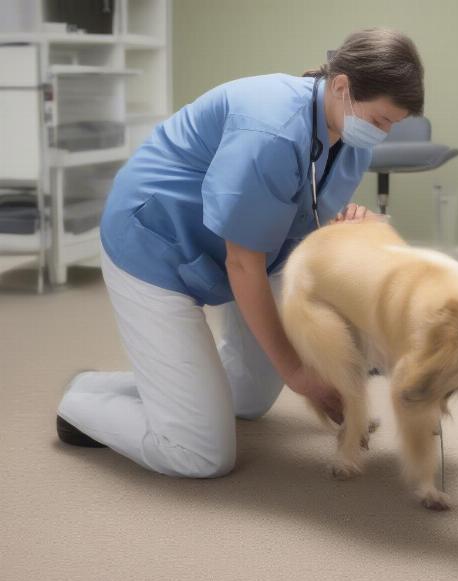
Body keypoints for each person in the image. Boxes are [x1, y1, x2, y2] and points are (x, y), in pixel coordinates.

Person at [56, 27, 424, 478]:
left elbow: (301, 210)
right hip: (154, 245)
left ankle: (149, 387)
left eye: (392, 124)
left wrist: (348, 225)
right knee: (200, 453)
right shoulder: (269, 130)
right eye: (382, 120)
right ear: (343, 86)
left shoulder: (349, 140)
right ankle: (78, 403)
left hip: (245, 251)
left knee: (248, 400)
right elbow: (242, 263)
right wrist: (296, 372)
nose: (383, 133)